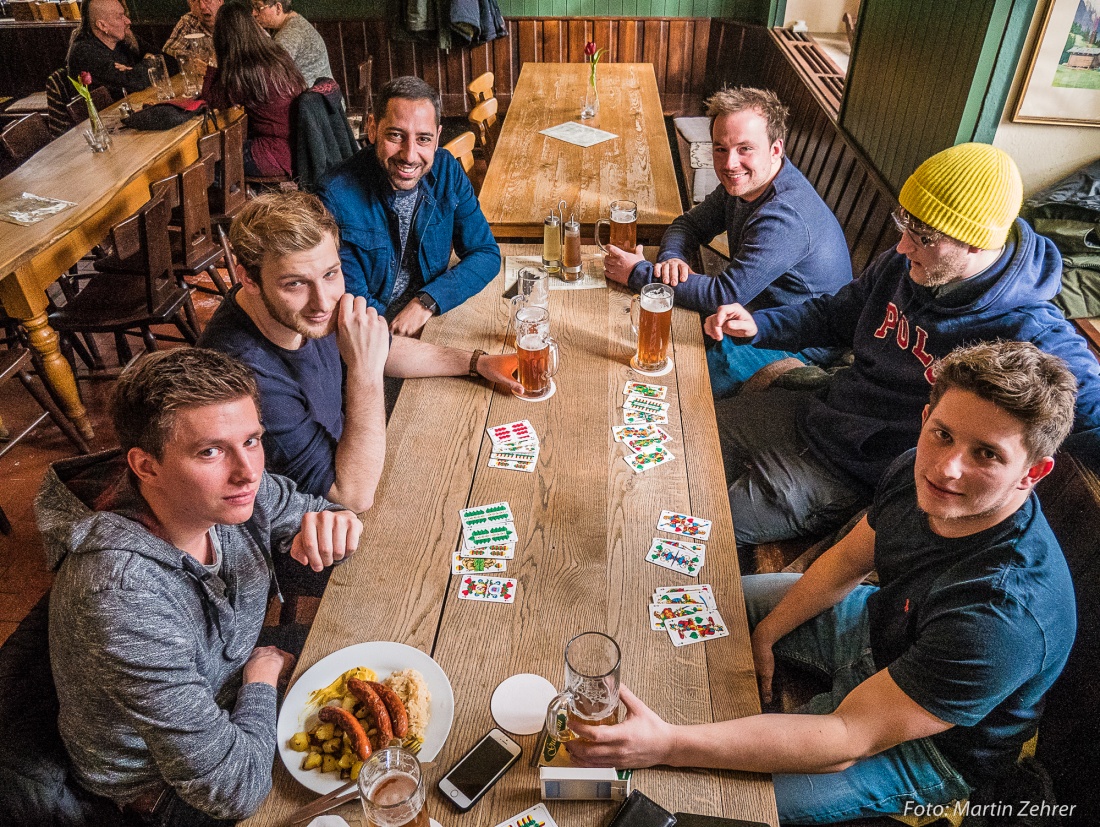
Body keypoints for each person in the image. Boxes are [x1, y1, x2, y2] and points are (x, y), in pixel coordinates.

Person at [568, 341, 1077, 824]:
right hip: (876, 627)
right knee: (716, 601)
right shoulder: (918, 468)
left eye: (987, 454)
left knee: (687, 797)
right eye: (942, 433)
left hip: (927, 746)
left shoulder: (1002, 617)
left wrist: (670, 744)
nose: (947, 468)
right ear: (926, 420)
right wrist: (768, 631)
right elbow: (846, 562)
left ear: (1034, 472)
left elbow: (845, 737)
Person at [703, 142, 1100, 547]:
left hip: (849, 473)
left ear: (975, 243)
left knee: (692, 527)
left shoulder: (1031, 332)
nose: (903, 246)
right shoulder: (909, 263)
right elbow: (835, 314)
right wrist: (758, 324)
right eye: (906, 225)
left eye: (924, 236)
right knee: (679, 437)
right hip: (816, 411)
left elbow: (1093, 414)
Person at [38, 348, 362, 825]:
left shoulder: (230, 490)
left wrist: (338, 525)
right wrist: (261, 678)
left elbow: (319, 510)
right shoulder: (120, 597)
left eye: (252, 440)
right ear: (146, 466)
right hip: (166, 787)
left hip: (234, 687)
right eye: (210, 451)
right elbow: (236, 791)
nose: (248, 471)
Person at [198, 190, 520, 515]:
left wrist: (476, 362)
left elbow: (377, 346)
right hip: (319, 522)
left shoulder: (303, 307)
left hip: (356, 451)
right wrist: (365, 373)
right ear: (248, 279)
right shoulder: (248, 381)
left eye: (330, 273)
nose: (323, 303)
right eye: (295, 284)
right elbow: (352, 495)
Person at [601, 87, 852, 397]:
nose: (730, 163)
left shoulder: (784, 217)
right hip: (744, 312)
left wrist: (637, 273)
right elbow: (688, 224)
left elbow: (723, 293)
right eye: (720, 148)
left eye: (745, 148)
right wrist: (671, 259)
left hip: (796, 341)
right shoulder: (746, 185)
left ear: (776, 150)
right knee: (636, 341)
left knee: (676, 387)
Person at [316, 76, 500, 336]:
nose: (410, 155)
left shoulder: (447, 170)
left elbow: (486, 253)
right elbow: (352, 301)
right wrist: (404, 333)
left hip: (429, 314)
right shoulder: (334, 196)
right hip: (374, 333)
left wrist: (426, 301)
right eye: (395, 135)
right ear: (372, 128)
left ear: (437, 137)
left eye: (423, 139)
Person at [200, 1, 306, 178]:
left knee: (210, 168)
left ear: (223, 38)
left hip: (275, 153)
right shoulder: (275, 53)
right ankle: (254, 192)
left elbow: (211, 100)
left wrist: (212, 63)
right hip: (298, 147)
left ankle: (248, 198)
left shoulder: (244, 71)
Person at [67, 0, 156, 101]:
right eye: (120, 17)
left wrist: (136, 71)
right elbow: (135, 83)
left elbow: (169, 61)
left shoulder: (125, 38)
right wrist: (149, 61)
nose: (128, 21)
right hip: (108, 114)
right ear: (102, 25)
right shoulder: (84, 52)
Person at [252, 0, 333, 87]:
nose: (254, 13)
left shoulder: (290, 33)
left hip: (313, 98)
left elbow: (269, 76)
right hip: (326, 97)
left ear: (278, 8)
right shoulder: (295, 22)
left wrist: (259, 35)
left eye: (258, 7)